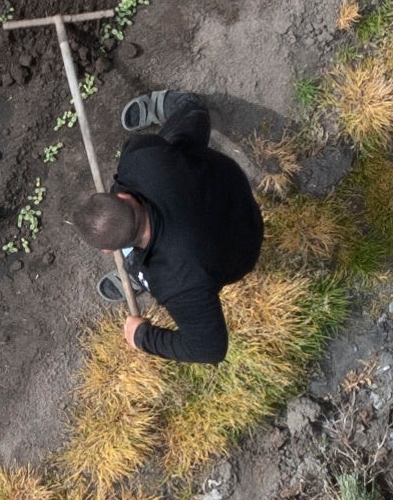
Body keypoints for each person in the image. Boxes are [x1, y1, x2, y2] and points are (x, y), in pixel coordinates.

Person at [77, 90, 261, 364]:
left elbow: (209, 349)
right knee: (175, 147)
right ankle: (140, 275)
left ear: (107, 250)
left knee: (187, 126)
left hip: (244, 244)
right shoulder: (142, 163)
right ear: (123, 197)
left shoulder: (178, 283)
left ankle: (190, 105)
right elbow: (135, 148)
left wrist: (143, 337)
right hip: (226, 187)